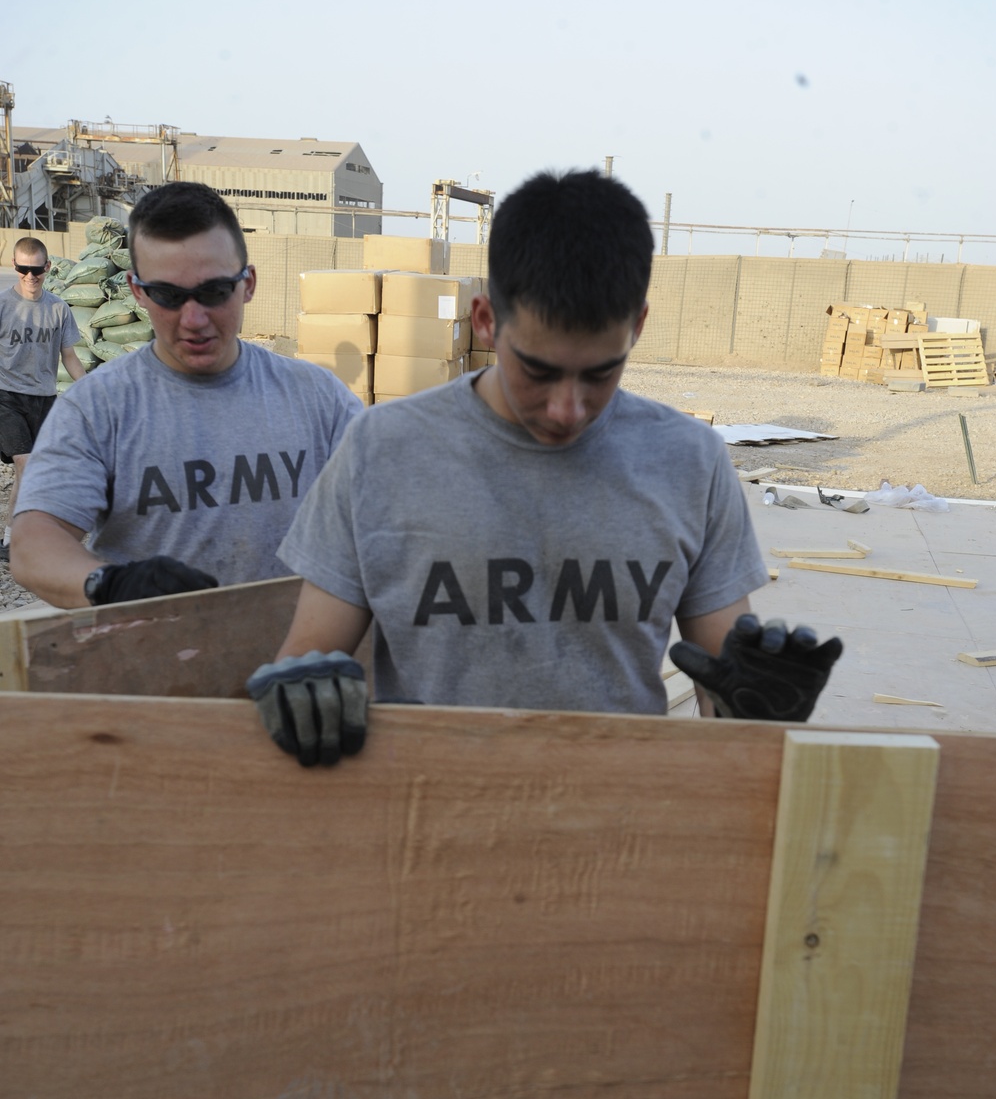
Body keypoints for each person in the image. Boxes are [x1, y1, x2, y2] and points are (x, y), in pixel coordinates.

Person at [246, 169, 841, 766]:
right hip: (424, 820)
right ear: (485, 320)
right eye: (538, 371)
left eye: (600, 373)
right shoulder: (381, 450)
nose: (567, 409)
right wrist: (303, 691)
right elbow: (311, 654)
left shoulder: (689, 461)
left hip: (617, 827)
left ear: (636, 326)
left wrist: (756, 708)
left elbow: (723, 690)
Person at [10, 182, 361, 608]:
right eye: (168, 296)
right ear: (137, 292)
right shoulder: (98, 409)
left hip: (290, 659)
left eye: (214, 292)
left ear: (247, 284)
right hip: (156, 663)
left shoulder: (317, 399)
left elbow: (387, 516)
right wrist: (111, 583)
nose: (193, 319)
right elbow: (34, 545)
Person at [0, 236, 86, 562]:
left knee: (38, 471)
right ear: (15, 267)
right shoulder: (2, 306)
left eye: (36, 269)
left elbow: (70, 357)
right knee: (27, 464)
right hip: (6, 396)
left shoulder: (58, 309)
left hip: (45, 399)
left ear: (47, 267)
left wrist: (94, 390)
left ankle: (12, 538)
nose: (30, 276)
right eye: (23, 268)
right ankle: (19, 542)